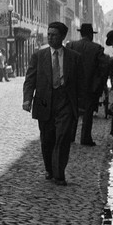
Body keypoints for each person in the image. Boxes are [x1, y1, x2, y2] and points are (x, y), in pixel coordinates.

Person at [22, 21, 82, 186]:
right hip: (44, 102)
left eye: (54, 35)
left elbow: (80, 83)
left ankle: (59, 173)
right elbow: (30, 80)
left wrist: (80, 104)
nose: (50, 37)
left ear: (63, 37)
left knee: (62, 138)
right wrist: (27, 99)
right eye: (49, 34)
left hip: (65, 102)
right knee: (47, 139)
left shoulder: (74, 57)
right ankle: (49, 167)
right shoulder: (39, 56)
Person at [66, 23, 110, 146]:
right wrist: (100, 84)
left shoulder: (71, 45)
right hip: (90, 86)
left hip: (73, 86)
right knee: (88, 113)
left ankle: (70, 136)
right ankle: (85, 138)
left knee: (72, 111)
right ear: (91, 35)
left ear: (81, 33)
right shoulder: (97, 48)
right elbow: (104, 67)